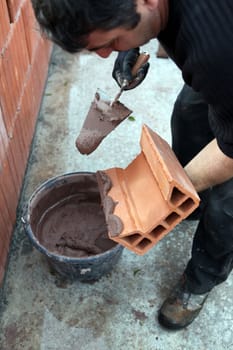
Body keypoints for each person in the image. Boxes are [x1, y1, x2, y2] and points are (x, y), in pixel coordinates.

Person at [31, 0, 233, 330]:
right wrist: (130, 44)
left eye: (110, 43)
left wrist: (170, 191)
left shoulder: (217, 52)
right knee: (189, 112)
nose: (104, 54)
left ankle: (200, 281)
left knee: (226, 205)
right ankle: (193, 209)